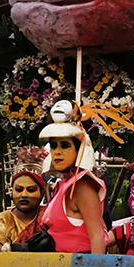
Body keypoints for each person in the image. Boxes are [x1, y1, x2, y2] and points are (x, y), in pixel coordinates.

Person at [40, 100, 108, 254]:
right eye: (54, 145)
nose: (57, 152)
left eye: (65, 145)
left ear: (79, 150)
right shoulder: (63, 184)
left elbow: (97, 236)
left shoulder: (83, 187)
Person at [0, 169, 47, 252]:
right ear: (12, 193)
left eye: (31, 190)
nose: (24, 195)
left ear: (42, 194)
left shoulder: (50, 219)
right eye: (19, 189)